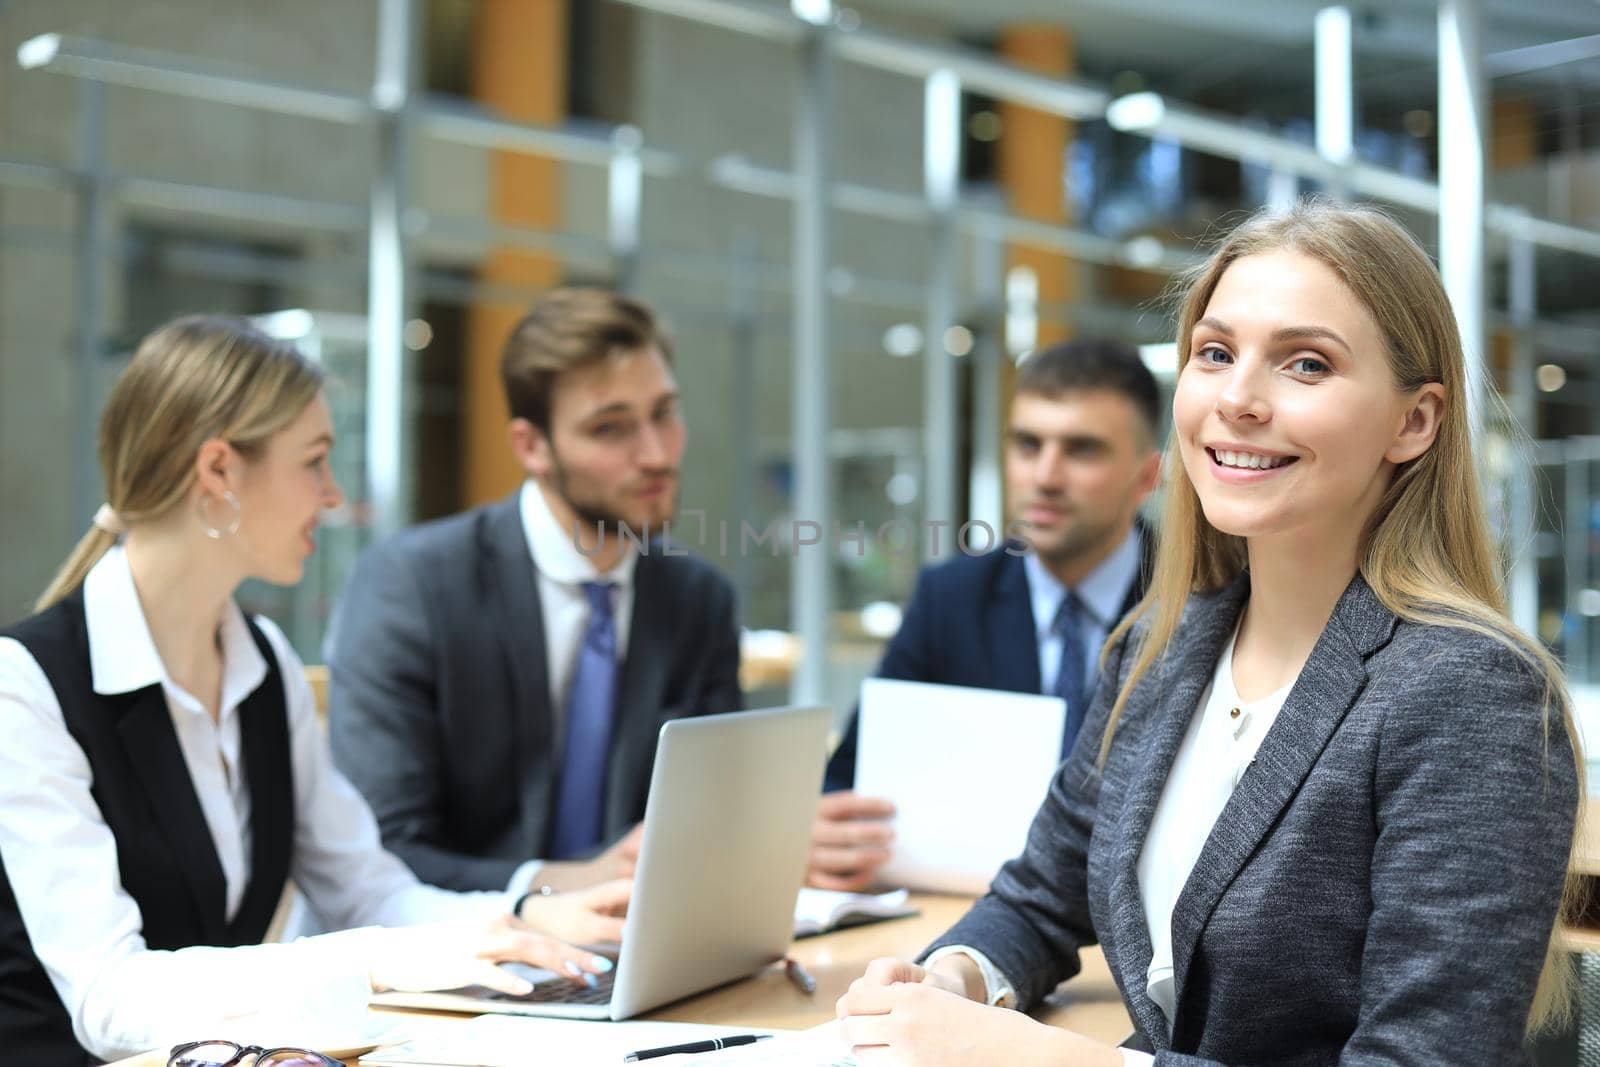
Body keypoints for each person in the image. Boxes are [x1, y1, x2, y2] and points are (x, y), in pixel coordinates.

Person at [835, 199, 1582, 1065]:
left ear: (1413, 421)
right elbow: (1041, 897)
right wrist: (953, 980)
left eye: (1305, 364)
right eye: (1215, 353)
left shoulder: (1469, 690)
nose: (1237, 399)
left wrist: (1057, 1059)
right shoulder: (1162, 646)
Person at [0, 317, 628, 1065]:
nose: (334, 497)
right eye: (315, 461)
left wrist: (531, 918)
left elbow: (369, 891)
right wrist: (374, 961)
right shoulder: (26, 687)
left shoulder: (265, 663)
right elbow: (111, 998)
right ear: (219, 472)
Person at [326, 288, 743, 897]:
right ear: (531, 446)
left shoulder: (698, 601)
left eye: (664, 413)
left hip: (637, 948)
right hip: (455, 957)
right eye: (611, 428)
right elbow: (383, 848)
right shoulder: (413, 586)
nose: (656, 454)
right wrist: (556, 887)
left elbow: (711, 819)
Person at [814, 339, 1162, 891]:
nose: (1045, 476)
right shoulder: (950, 598)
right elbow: (849, 784)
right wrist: (824, 834)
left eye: (1081, 450)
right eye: (1028, 444)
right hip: (968, 918)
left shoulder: (1199, 604)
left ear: (1146, 477)